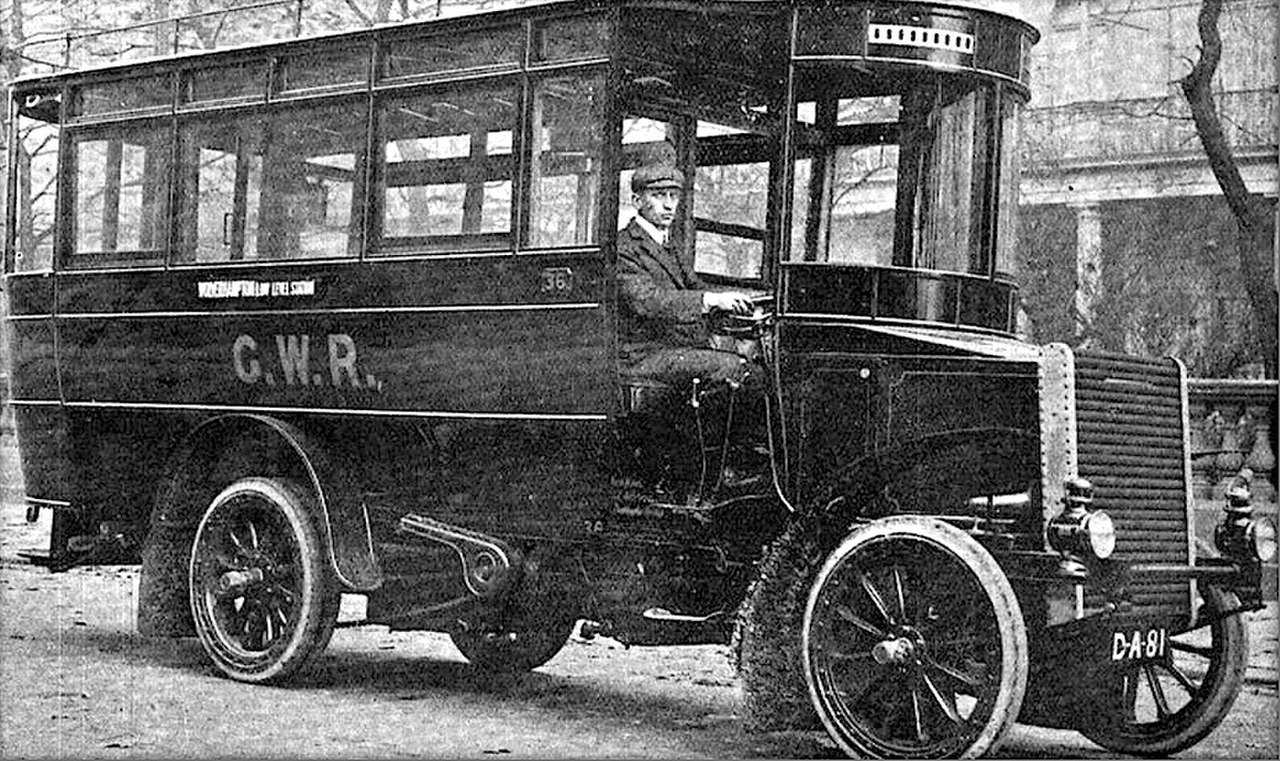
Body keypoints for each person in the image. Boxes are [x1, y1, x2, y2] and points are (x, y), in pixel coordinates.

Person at [616, 162, 758, 392]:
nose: (669, 204)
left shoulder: (669, 247)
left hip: (675, 351)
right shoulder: (624, 248)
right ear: (637, 201)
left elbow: (694, 287)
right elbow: (648, 301)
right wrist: (708, 300)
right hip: (642, 357)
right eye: (659, 195)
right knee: (735, 368)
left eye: (674, 196)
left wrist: (741, 309)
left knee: (754, 367)